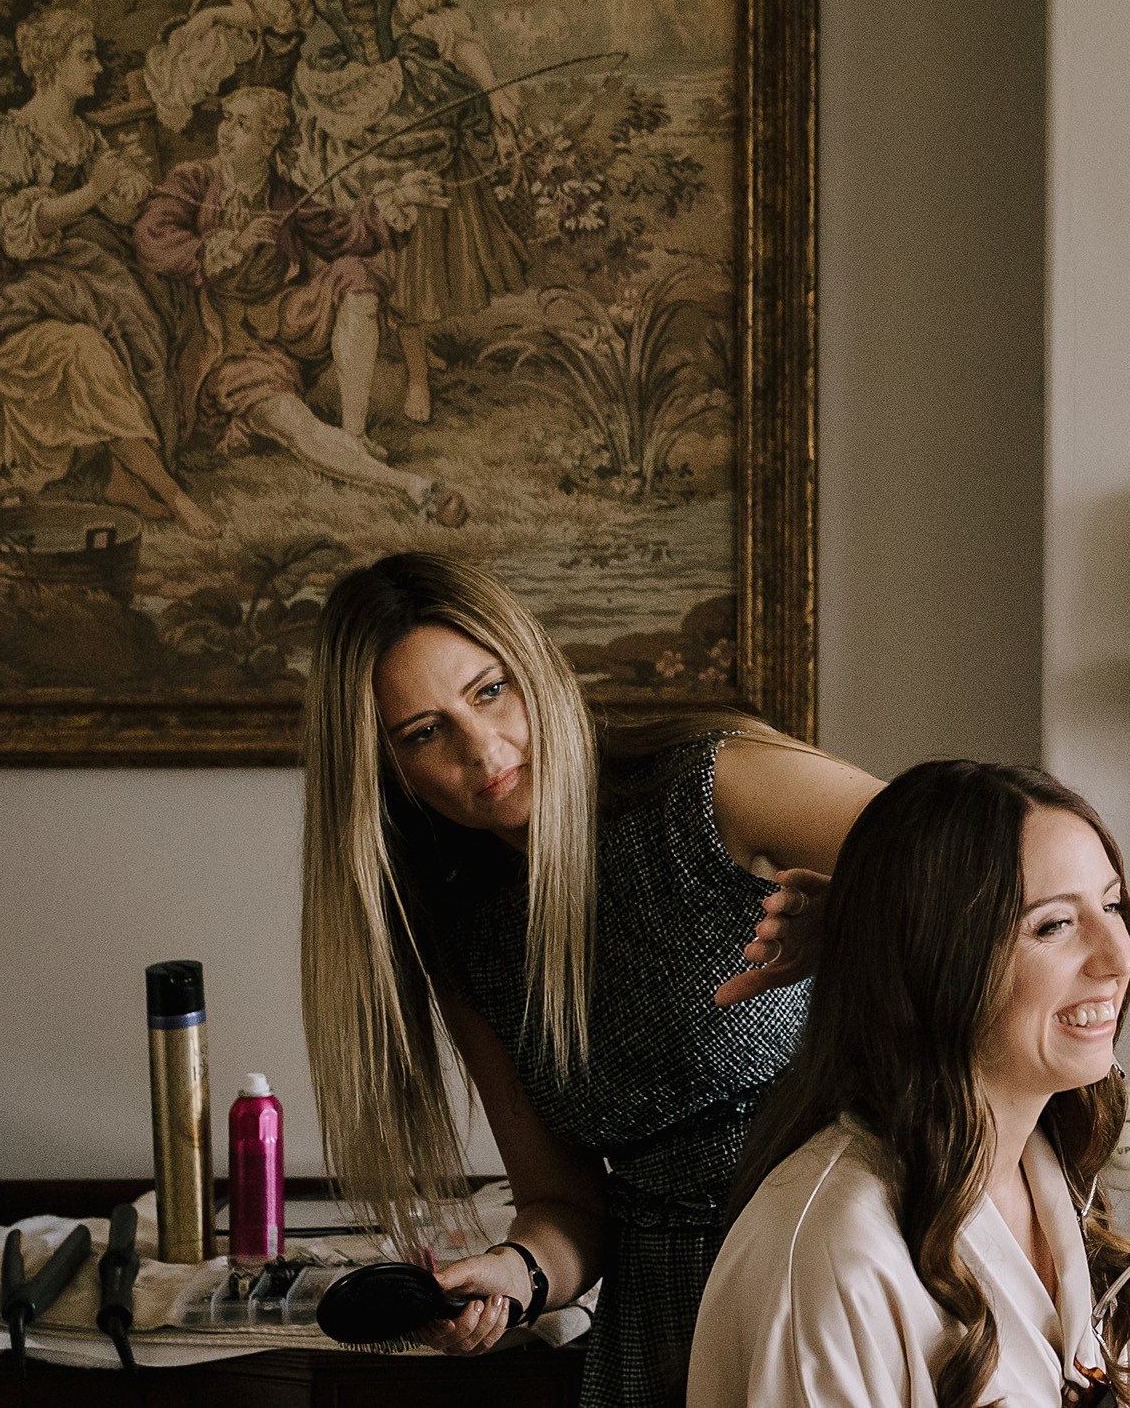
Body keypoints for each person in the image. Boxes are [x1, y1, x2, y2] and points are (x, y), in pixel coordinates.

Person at [298, 553, 880, 1407]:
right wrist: (513, 1273)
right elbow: (567, 1205)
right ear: (386, 771)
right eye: (425, 732)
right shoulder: (470, 942)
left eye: (489, 690)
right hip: (664, 1334)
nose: (483, 747)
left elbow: (981, 859)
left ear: (532, 666)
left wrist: (865, 917)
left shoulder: (710, 786)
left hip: (845, 1268)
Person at [692, 761, 1130, 1408]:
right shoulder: (835, 1257)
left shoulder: (1048, 1170)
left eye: (1110, 903)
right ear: (937, 954)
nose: (1119, 956)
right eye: (1054, 924)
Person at [149, 0, 531, 427]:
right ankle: (356, 347)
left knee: (414, 229)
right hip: (331, 111)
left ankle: (417, 372)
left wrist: (494, 87)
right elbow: (255, 12)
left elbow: (450, 27)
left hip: (400, 96)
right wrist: (210, 21)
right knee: (352, 229)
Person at [0, 6, 216, 535]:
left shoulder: (86, 136)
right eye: (86, 56)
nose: (97, 68)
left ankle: (126, 479)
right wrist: (92, 191)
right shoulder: (12, 134)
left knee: (150, 315)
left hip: (74, 276)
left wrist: (127, 190)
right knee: (86, 350)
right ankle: (171, 492)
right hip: (8, 286)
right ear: (53, 65)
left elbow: (113, 213)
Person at [130, 87, 462, 520]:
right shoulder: (193, 182)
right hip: (224, 346)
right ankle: (415, 488)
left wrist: (399, 198)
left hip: (285, 325)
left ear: (270, 141)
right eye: (227, 119)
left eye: (243, 125)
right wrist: (224, 244)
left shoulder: (285, 196)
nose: (227, 133)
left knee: (355, 277)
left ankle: (354, 433)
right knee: (298, 427)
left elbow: (345, 235)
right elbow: (151, 236)